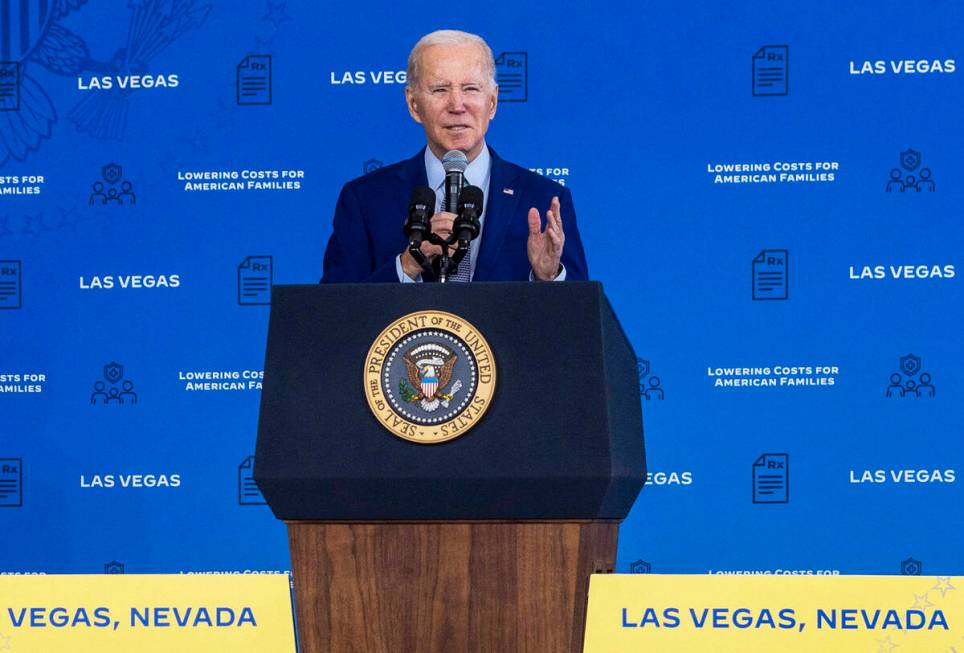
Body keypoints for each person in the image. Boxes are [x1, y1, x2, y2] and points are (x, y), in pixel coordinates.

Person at [320, 30, 588, 283]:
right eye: (440, 90)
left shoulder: (544, 199)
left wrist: (548, 278)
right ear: (414, 105)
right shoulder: (365, 199)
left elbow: (581, 317)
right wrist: (408, 266)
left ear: (492, 102)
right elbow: (334, 312)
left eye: (470, 88)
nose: (457, 106)